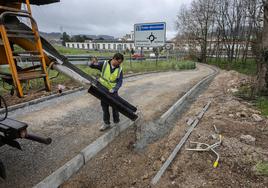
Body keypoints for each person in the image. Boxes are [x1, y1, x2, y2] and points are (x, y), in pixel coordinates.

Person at [89, 53, 124, 131]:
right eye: (118, 62)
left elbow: (120, 81)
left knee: (115, 107)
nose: (119, 64)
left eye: (120, 63)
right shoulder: (104, 64)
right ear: (114, 59)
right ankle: (106, 123)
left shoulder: (119, 69)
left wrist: (115, 89)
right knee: (105, 107)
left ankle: (116, 122)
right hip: (103, 90)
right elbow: (92, 66)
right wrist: (92, 62)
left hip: (113, 91)